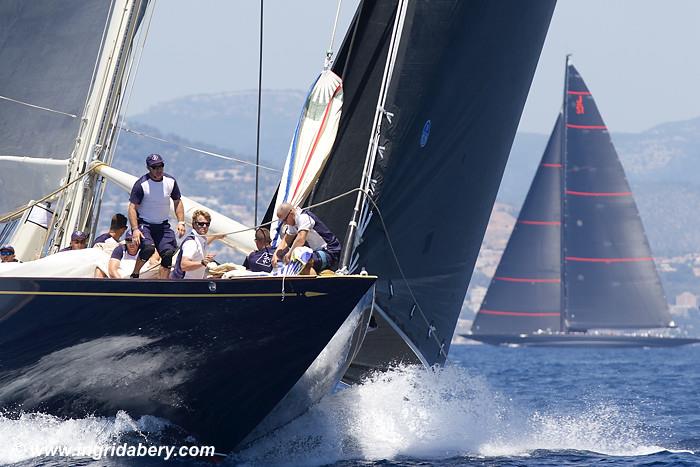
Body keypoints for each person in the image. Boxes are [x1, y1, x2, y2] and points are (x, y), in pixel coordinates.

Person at [128, 153, 185, 279]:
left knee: (168, 253)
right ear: (149, 168)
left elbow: (177, 201)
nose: (158, 170)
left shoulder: (170, 181)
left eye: (161, 166)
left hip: (163, 225)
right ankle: (135, 273)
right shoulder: (141, 184)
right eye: (154, 167)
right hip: (145, 224)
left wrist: (181, 222)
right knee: (148, 248)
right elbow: (132, 207)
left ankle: (162, 283)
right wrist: (135, 229)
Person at [271, 202, 341, 274]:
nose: (285, 223)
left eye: (285, 220)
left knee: (301, 260)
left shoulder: (304, 217)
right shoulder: (292, 223)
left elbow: (300, 239)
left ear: (291, 212)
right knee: (294, 261)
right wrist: (276, 255)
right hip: (316, 253)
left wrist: (289, 254)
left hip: (330, 251)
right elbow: (286, 240)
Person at [171, 209, 224, 279]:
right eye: (201, 224)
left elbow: (202, 244)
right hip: (183, 284)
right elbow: (184, 265)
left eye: (207, 224)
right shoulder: (191, 243)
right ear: (193, 224)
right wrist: (202, 262)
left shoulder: (199, 239)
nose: (204, 226)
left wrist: (215, 236)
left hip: (192, 283)